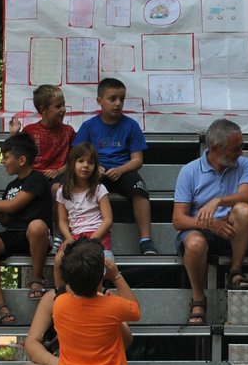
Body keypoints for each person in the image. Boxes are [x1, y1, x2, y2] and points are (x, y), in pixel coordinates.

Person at [172, 118, 248, 326]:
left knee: (244, 211)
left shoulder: (245, 164)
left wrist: (218, 200)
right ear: (216, 148)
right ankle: (198, 298)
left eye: (242, 146)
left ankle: (235, 272)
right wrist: (209, 224)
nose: (241, 152)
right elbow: (178, 219)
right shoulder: (189, 171)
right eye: (236, 148)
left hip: (232, 227)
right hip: (199, 228)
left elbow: (245, 196)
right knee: (194, 243)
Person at [74, 77, 157, 255]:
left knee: (139, 188)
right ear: (100, 101)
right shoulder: (89, 126)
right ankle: (75, 234)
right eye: (112, 98)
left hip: (122, 171)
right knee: (75, 185)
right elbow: (77, 156)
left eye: (121, 99)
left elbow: (137, 160)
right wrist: (94, 167)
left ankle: (146, 240)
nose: (118, 103)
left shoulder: (131, 125)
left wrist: (121, 170)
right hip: (95, 172)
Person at [0, 131, 51, 312]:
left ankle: (36, 279)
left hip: (36, 237)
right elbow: (7, 220)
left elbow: (13, 206)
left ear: (21, 160)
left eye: (6, 158)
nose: (2, 162)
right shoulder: (11, 186)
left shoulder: (37, 179)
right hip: (14, 234)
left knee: (36, 226)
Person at [54, 141, 113, 292]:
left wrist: (93, 239)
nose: (85, 165)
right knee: (58, 260)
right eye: (80, 161)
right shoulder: (62, 191)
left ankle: (98, 294)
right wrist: (68, 238)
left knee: (100, 264)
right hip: (74, 237)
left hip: (96, 235)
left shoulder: (99, 189)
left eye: (90, 162)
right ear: (71, 164)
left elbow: (107, 219)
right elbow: (61, 220)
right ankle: (61, 296)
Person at [22, 83, 75, 182]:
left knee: (56, 188)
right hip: (33, 178)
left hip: (60, 177)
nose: (63, 109)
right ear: (43, 109)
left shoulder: (69, 131)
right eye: (58, 106)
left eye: (64, 104)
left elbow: (74, 158)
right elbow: (19, 157)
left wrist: (59, 171)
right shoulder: (29, 131)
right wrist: (13, 134)